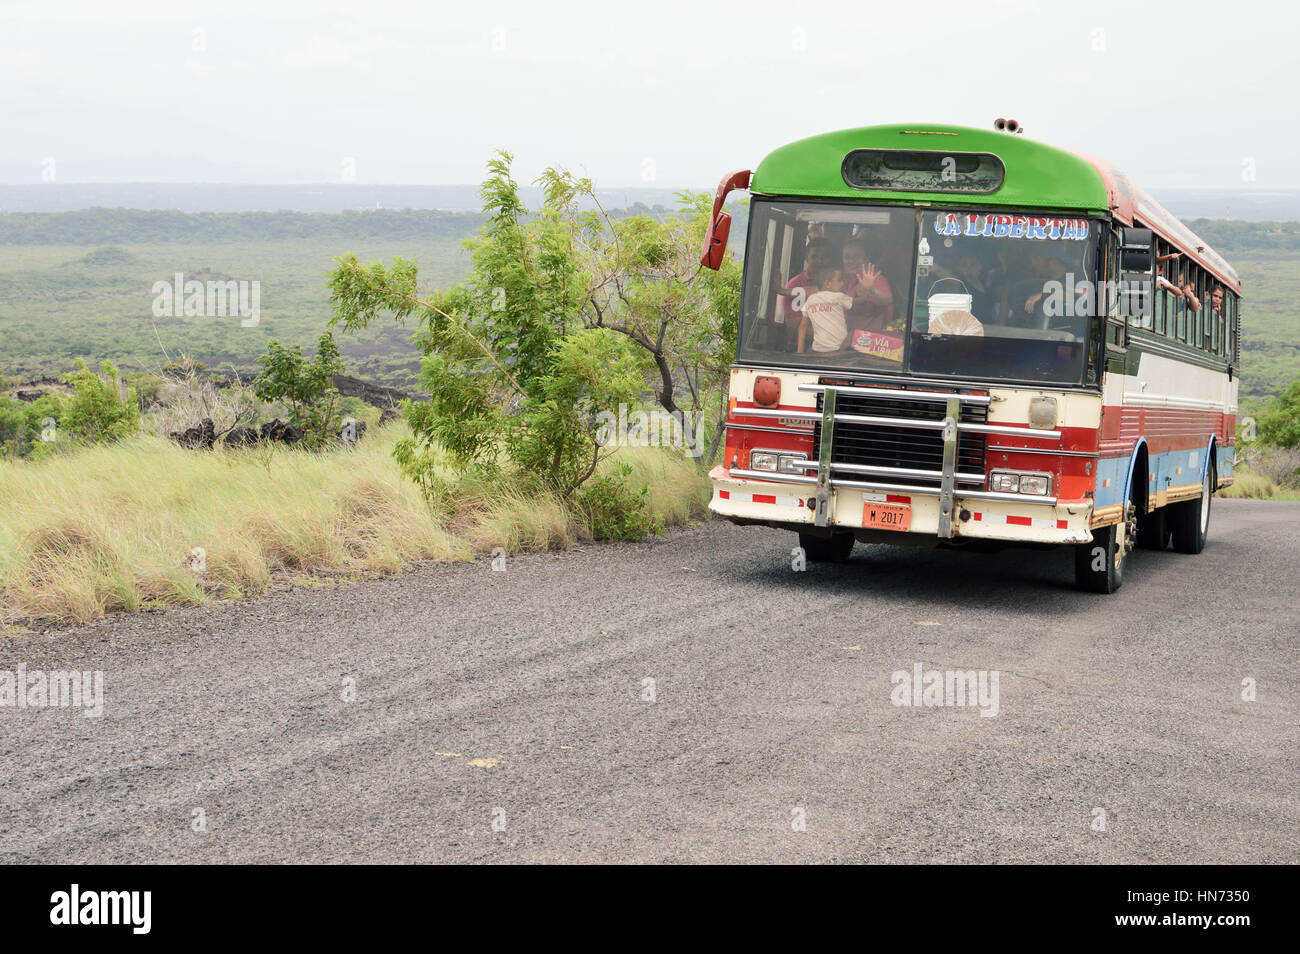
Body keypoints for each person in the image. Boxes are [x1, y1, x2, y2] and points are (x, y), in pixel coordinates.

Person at [839, 238, 895, 333]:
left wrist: (873, 290)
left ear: (867, 258)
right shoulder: (841, 280)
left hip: (868, 340)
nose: (851, 261)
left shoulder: (875, 278)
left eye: (856, 257)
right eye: (847, 257)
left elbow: (887, 299)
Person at [797, 269, 854, 353]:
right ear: (827, 284)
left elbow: (803, 326)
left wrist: (799, 351)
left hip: (816, 350)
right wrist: (866, 290)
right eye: (839, 280)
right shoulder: (838, 296)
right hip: (839, 350)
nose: (842, 283)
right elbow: (859, 305)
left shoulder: (810, 299)